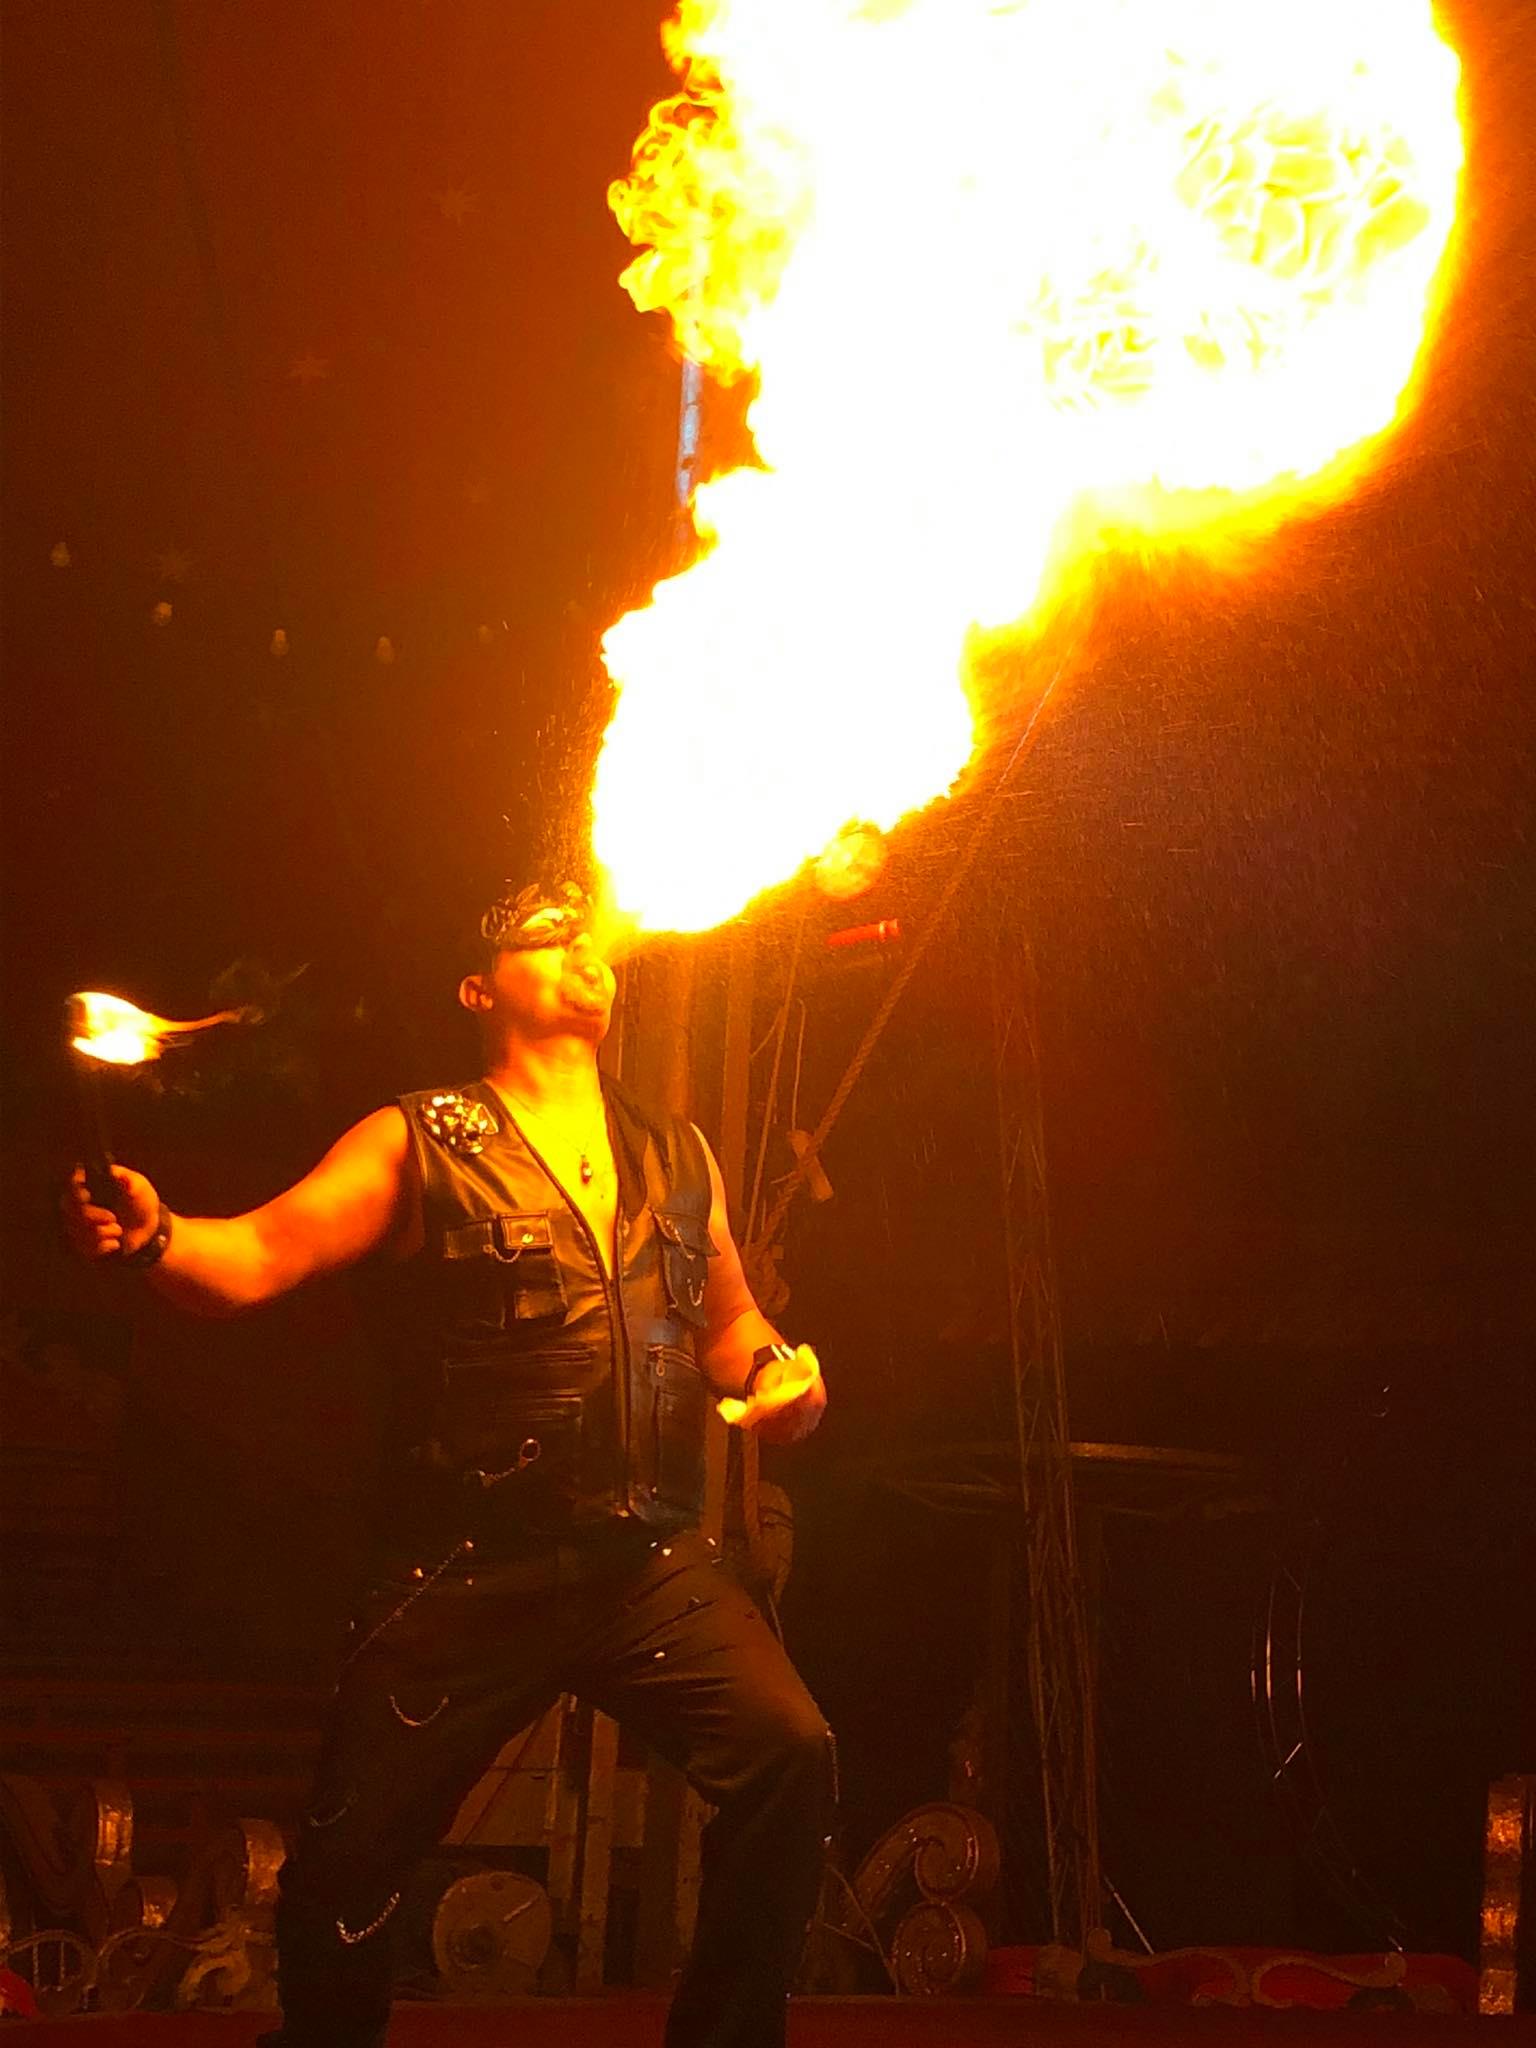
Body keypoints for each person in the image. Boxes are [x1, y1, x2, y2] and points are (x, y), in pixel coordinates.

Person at [64, 880, 831, 2048]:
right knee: (348, 1867)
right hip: (468, 1564)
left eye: (588, 933)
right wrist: (158, 1234)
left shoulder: (678, 1150)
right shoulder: (417, 1137)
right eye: (545, 935)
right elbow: (259, 1253)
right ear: (478, 988)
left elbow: (730, 1321)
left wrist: (782, 1376)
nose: (583, 946)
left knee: (790, 1750)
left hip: (644, 1562)